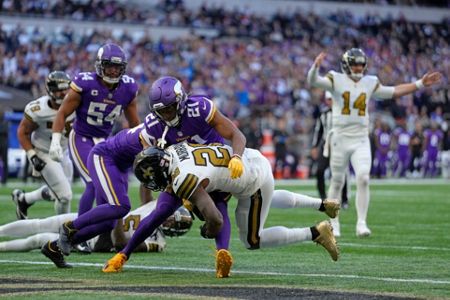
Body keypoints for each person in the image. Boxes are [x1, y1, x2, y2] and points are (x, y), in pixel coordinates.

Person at [103, 143, 340, 275]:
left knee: (252, 240)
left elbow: (216, 220)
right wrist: (125, 252)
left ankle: (316, 232)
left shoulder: (181, 179)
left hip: (253, 181)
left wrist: (207, 230)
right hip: (246, 158)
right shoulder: (175, 149)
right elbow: (157, 216)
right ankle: (321, 204)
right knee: (260, 198)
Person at [107, 76, 247, 278]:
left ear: (181, 101)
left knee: (219, 207)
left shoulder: (200, 108)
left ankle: (222, 253)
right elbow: (152, 161)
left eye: (170, 108)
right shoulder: (153, 126)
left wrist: (236, 157)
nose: (166, 113)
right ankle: (122, 255)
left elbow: (236, 134)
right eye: (161, 110)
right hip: (182, 172)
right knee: (160, 212)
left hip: (212, 168)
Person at [307, 48, 442, 237]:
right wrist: (315, 67)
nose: (358, 67)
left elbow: (393, 92)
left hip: (361, 137)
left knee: (363, 178)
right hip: (339, 137)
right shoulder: (335, 78)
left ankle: (361, 223)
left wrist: (419, 84)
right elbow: (313, 81)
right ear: (346, 65)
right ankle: (334, 222)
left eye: (361, 64)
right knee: (337, 181)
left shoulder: (369, 82)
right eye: (355, 64)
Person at [49, 43, 140, 216]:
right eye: (109, 66)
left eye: (117, 67)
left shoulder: (128, 88)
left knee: (108, 185)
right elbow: (62, 114)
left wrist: (142, 145)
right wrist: (55, 140)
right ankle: (79, 232)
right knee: (93, 182)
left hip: (105, 140)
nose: (113, 71)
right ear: (99, 65)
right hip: (81, 136)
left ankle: (100, 229)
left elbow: (134, 123)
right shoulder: (85, 83)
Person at [1, 201, 191, 258]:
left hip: (95, 239)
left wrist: (117, 214)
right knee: (40, 223)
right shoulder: (158, 206)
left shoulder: (158, 243)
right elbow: (146, 193)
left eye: (172, 222)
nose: (168, 219)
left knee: (38, 239)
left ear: (175, 230)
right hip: (100, 217)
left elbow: (120, 244)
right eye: (172, 216)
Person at [12, 71, 74, 219]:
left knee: (56, 193)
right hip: (43, 152)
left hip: (63, 152)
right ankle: (63, 232)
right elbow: (22, 132)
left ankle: (24, 200)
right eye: (59, 89)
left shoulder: (75, 103)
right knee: (65, 196)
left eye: (66, 89)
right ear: (50, 90)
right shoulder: (38, 109)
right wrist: (32, 156)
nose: (63, 93)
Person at [311, 91, 349, 209]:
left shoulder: (344, 114)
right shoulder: (323, 114)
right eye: (328, 99)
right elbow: (319, 131)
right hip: (326, 146)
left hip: (339, 146)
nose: (329, 102)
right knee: (319, 170)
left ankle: (344, 199)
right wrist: (314, 146)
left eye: (331, 99)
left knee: (340, 173)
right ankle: (322, 197)